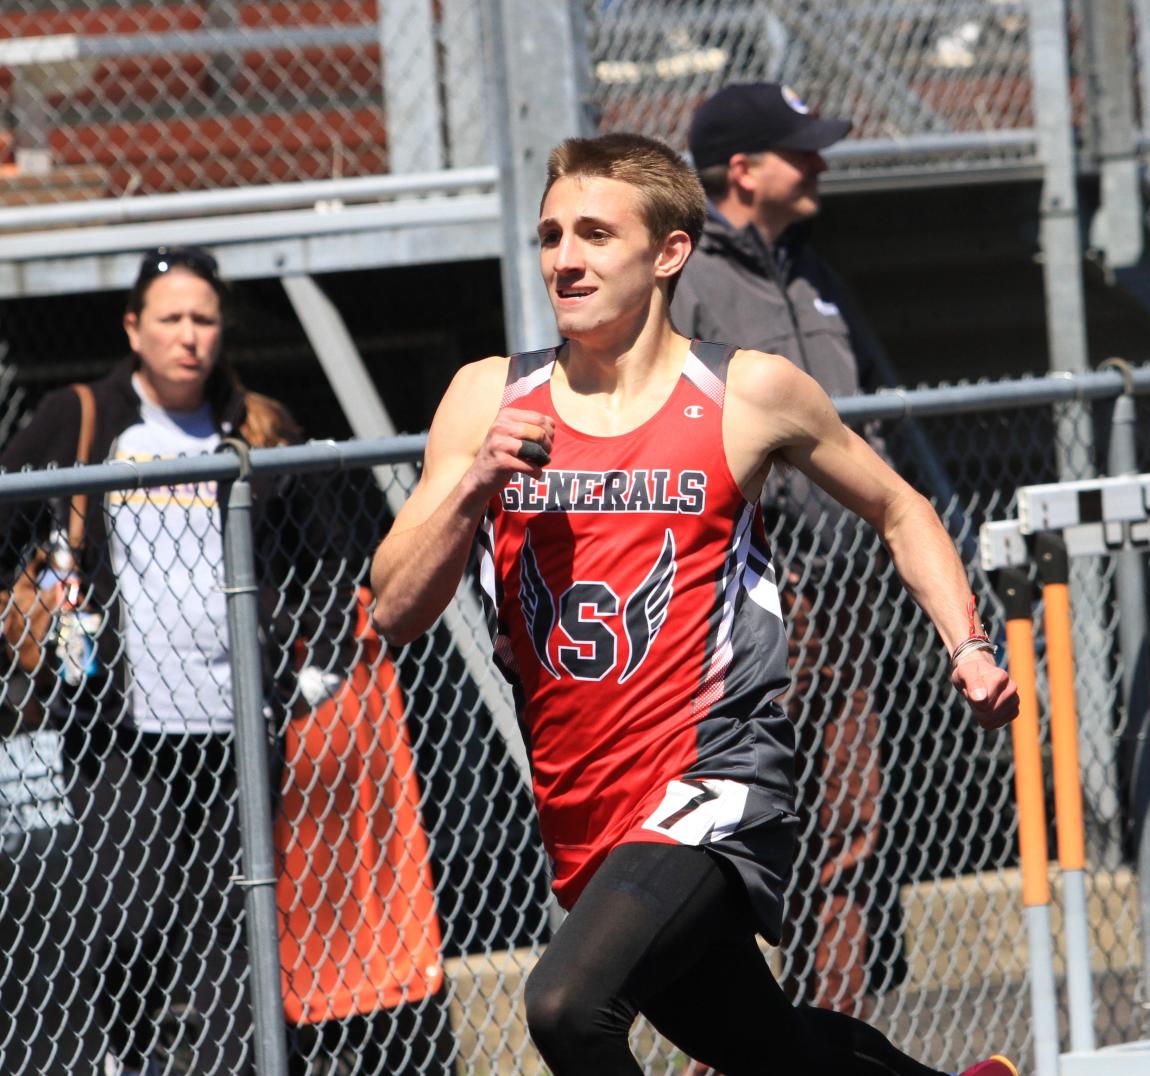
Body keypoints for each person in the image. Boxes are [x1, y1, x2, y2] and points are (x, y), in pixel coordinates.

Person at [371, 132, 1020, 1076]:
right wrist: (475, 485)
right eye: (551, 235)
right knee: (771, 1051)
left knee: (566, 1008)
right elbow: (393, 610)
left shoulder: (743, 391)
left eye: (596, 233)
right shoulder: (488, 398)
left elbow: (899, 507)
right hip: (584, 800)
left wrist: (966, 643)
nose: (566, 258)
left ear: (670, 251)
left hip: (716, 779)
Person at [0, 246, 353, 1074]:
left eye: (204, 319)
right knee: (124, 913)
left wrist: (313, 667)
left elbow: (326, 556)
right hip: (117, 730)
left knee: (234, 926)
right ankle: (124, 1057)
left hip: (237, 729)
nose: (189, 338)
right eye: (170, 319)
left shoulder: (256, 425)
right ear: (134, 327)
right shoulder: (84, 415)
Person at [669, 81, 895, 1018]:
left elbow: (867, 424)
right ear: (742, 170)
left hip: (840, 597)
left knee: (848, 833)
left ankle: (831, 1043)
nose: (820, 166)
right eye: (800, 151)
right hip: (746, 605)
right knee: (733, 843)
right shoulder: (691, 283)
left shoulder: (815, 274)